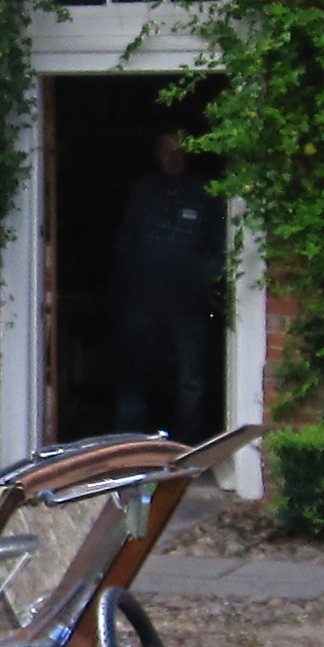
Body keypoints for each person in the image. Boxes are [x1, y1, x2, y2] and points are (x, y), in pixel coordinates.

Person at [108, 127, 223, 440]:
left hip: (188, 303)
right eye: (166, 150)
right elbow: (125, 244)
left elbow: (219, 247)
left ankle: (186, 447)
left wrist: (202, 279)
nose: (172, 157)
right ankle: (129, 445)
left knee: (190, 380)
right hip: (142, 301)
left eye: (178, 150)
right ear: (156, 154)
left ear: (188, 152)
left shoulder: (205, 193)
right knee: (135, 374)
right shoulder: (143, 191)